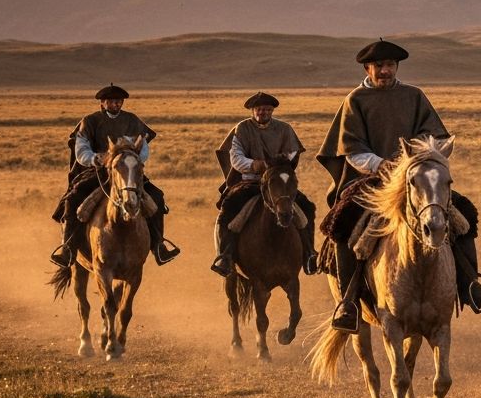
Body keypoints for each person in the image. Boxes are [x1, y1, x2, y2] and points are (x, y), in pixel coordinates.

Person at [316, 39, 481, 333]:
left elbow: (434, 139)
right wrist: (383, 165)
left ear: (396, 67)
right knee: (342, 222)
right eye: (379, 66)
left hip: (415, 175)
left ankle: (470, 286)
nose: (385, 71)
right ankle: (348, 303)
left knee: (462, 215)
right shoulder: (355, 100)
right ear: (368, 68)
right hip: (372, 179)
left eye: (389, 65)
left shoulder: (414, 96)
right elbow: (352, 151)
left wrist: (421, 159)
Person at [50, 84, 180, 268]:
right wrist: (95, 158)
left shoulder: (132, 120)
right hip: (98, 171)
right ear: (102, 103)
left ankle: (159, 246)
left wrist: (134, 158)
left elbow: (143, 148)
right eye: (111, 101)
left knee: (157, 197)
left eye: (118, 101)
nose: (115, 104)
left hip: (128, 171)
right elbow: (81, 150)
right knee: (72, 200)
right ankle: (68, 249)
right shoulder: (90, 121)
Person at [211, 91, 317, 277]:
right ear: (253, 111)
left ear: (272, 111)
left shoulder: (284, 129)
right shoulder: (242, 129)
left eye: (267, 109)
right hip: (249, 182)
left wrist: (279, 163)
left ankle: (309, 254)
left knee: (306, 207)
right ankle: (225, 256)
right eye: (259, 109)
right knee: (228, 209)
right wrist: (254, 165)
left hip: (277, 183)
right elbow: (235, 157)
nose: (263, 112)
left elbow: (293, 153)